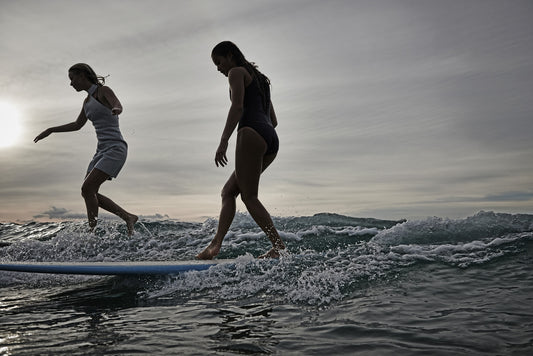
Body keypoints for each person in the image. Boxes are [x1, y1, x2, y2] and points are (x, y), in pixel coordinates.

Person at [197, 41, 286, 259]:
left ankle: (279, 247)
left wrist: (224, 140)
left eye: (219, 62)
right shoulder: (261, 78)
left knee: (249, 196)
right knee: (228, 192)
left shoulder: (236, 72)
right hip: (270, 138)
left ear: (230, 55)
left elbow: (237, 107)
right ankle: (215, 245)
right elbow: (273, 120)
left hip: (250, 132)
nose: (218, 68)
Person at [34, 63, 138, 235]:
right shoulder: (87, 102)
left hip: (115, 148)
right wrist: (51, 130)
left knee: (87, 189)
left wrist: (116, 109)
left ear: (82, 75)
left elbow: (117, 104)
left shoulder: (103, 91)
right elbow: (77, 125)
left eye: (72, 79)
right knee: (88, 191)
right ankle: (127, 216)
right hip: (101, 151)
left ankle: (92, 231)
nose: (71, 83)